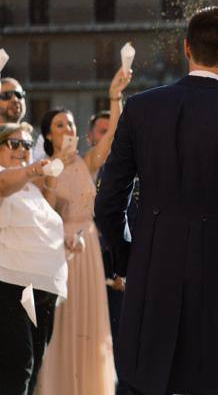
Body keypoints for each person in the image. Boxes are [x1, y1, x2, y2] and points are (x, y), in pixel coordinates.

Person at [94, 7, 218, 395]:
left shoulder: (140, 109)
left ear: (186, 48)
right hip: (216, 273)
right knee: (212, 384)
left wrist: (127, 257)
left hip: (151, 269)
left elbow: (109, 199)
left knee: (144, 381)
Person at [35, 68, 131, 395]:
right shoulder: (44, 170)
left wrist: (114, 95)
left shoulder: (86, 163)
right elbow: (47, 216)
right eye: (60, 125)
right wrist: (52, 171)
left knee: (90, 324)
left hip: (88, 249)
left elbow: (114, 133)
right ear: (48, 135)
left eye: (72, 123)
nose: (69, 129)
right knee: (64, 324)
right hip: (62, 251)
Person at [0, 122, 68, 395]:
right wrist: (33, 169)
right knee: (19, 364)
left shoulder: (31, 189)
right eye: (14, 143)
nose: (22, 150)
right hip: (8, 284)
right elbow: (4, 183)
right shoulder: (6, 177)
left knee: (33, 365)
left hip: (43, 289)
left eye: (27, 144)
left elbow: (46, 224)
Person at [89, 110, 137, 395]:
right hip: (86, 270)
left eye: (113, 130)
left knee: (124, 343)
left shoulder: (135, 166)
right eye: (102, 130)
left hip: (121, 270)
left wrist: (125, 266)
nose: (108, 136)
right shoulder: (82, 168)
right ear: (91, 136)